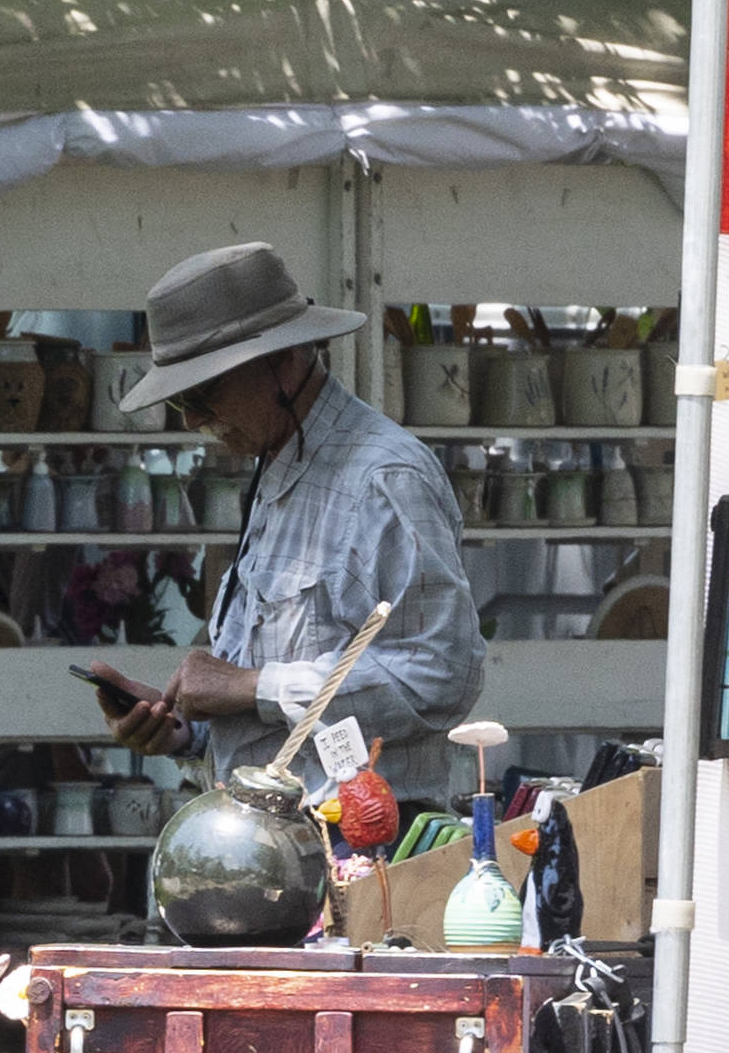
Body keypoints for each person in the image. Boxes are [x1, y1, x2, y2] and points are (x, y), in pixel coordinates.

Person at [90, 242, 486, 809]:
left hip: (364, 853)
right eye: (182, 403)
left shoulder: (383, 477)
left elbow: (442, 673)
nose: (196, 419)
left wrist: (250, 686)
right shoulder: (276, 464)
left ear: (281, 359)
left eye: (204, 393)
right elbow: (277, 723)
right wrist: (182, 728)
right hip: (278, 852)